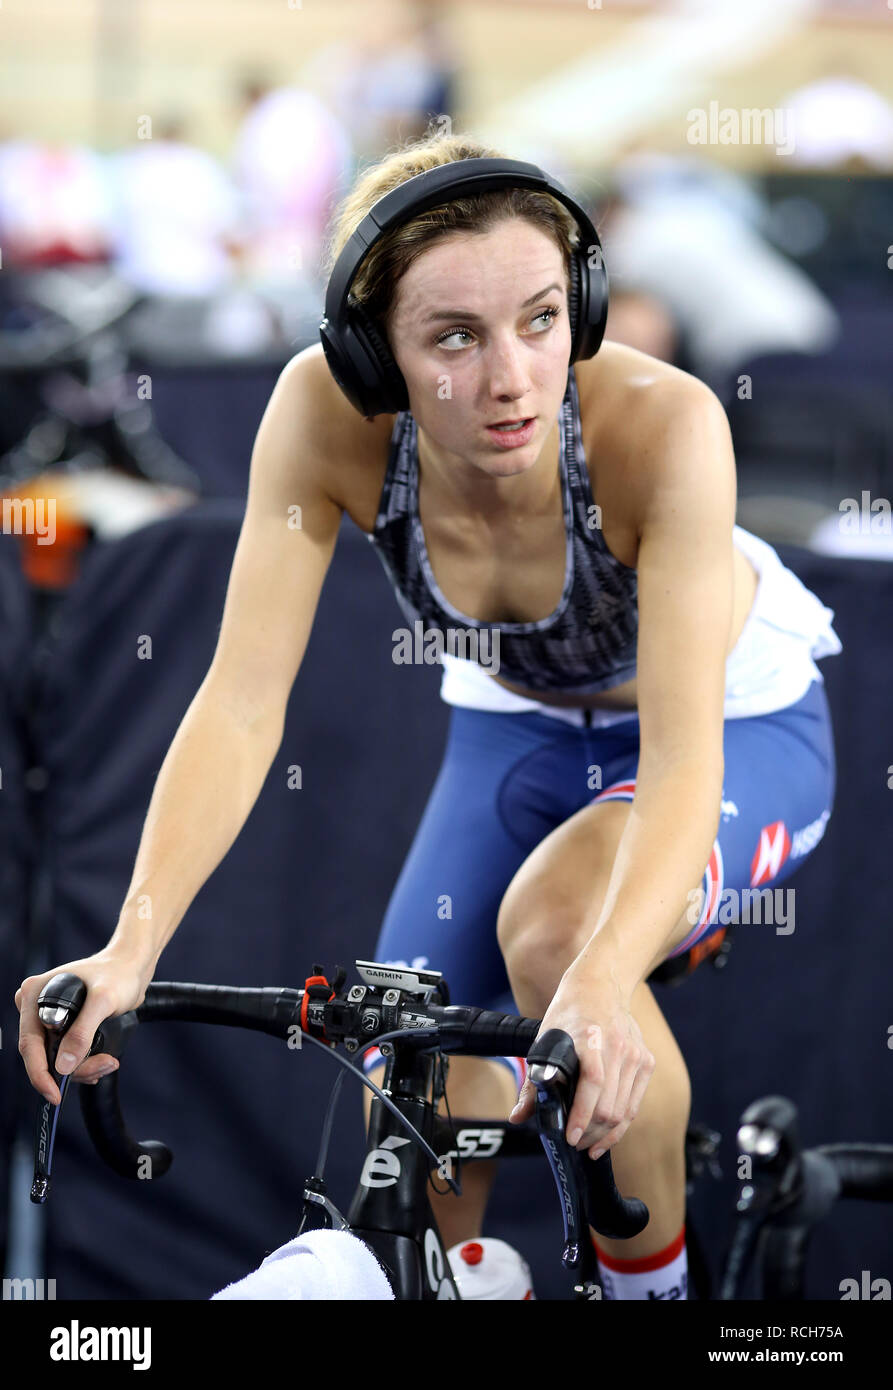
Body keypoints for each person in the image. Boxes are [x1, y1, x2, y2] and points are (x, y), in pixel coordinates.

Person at [16, 130, 841, 1301]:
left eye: (542, 319)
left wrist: (602, 976)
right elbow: (241, 700)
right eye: (453, 336)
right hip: (514, 726)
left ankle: (656, 1294)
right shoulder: (321, 412)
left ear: (584, 307)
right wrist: (132, 943)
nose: (511, 376)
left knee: (559, 940)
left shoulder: (662, 426)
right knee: (409, 1072)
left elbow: (679, 752)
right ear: (368, 357)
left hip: (734, 725)